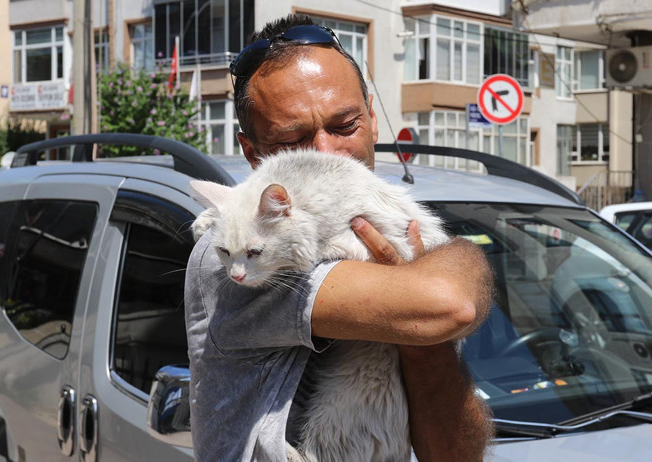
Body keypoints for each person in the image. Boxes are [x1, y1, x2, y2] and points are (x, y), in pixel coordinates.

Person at [185, 14, 493, 461]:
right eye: (294, 140)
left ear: (372, 116)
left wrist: (423, 342)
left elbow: (455, 456)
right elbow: (450, 302)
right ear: (252, 152)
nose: (325, 154)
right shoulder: (233, 258)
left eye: (345, 126)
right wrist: (447, 261)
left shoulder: (387, 218)